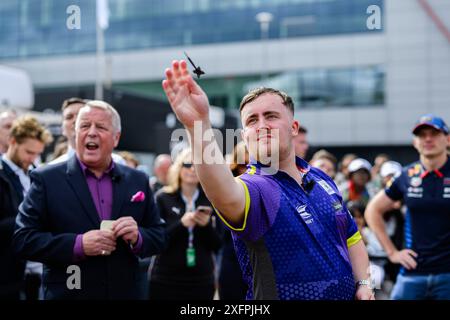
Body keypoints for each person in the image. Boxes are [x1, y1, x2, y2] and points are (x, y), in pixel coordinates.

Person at [162, 60, 374, 300]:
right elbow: (221, 190)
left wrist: (365, 283)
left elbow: (351, 237)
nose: (262, 125)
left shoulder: (321, 178)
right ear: (244, 136)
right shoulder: (256, 186)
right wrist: (197, 125)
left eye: (271, 116)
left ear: (293, 127)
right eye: (252, 120)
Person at [12, 101, 166, 300]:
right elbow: (23, 238)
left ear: (116, 138)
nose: (91, 132)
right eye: (84, 126)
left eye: (101, 127)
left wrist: (138, 237)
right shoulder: (46, 179)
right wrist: (78, 244)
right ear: (76, 135)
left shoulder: (137, 179)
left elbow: (160, 236)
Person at [365, 114, 450, 300]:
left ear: (448, 139)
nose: (428, 139)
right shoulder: (406, 175)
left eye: (434, 133)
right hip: (412, 272)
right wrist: (392, 252)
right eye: (422, 135)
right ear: (414, 142)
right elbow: (372, 210)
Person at [149, 149, 222, 300]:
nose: (192, 169)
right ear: (178, 168)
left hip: (201, 280)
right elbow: (157, 239)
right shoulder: (163, 197)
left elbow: (218, 244)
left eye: (198, 165)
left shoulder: (210, 199)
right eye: (187, 164)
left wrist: (206, 225)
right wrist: (181, 224)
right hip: (166, 279)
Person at [0, 115, 52, 299]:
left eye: (37, 153)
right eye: (29, 152)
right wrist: (30, 219)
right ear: (12, 141)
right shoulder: (2, 175)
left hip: (35, 273)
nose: (32, 158)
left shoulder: (35, 174)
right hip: (8, 276)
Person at [50, 97, 125, 165]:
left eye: (80, 115)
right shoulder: (51, 171)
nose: (75, 120)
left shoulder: (117, 163)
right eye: (69, 117)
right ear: (62, 128)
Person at [218, 141, 248, 300]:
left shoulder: (271, 188)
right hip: (232, 262)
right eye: (243, 164)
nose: (246, 170)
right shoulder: (223, 189)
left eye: (252, 164)